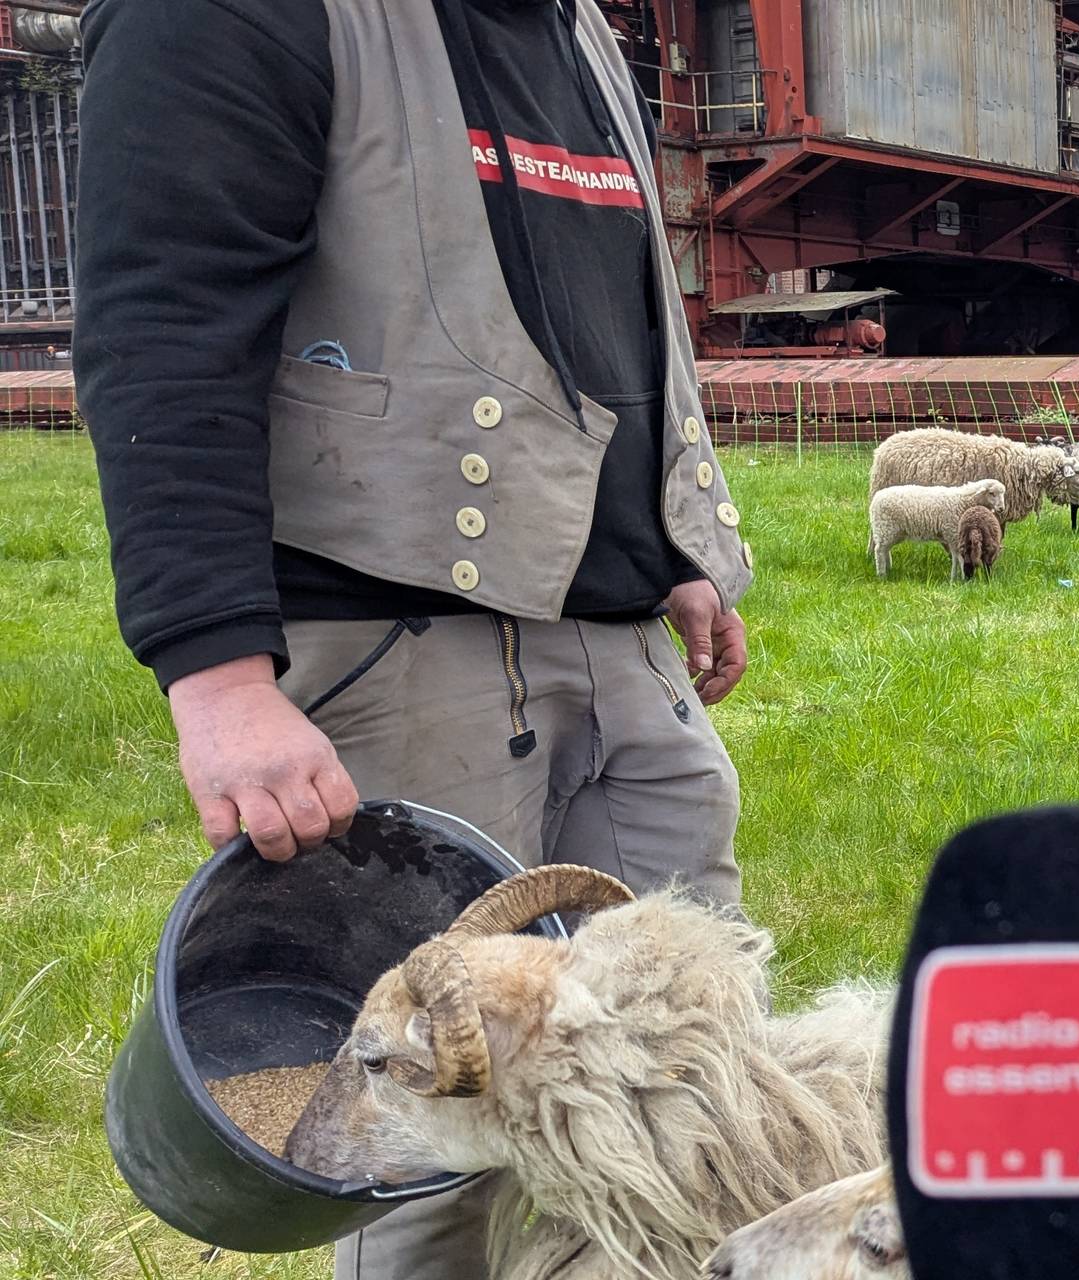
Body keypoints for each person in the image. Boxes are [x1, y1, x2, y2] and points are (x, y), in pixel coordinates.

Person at [76, 0, 753, 1275]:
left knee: (671, 1085)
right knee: (439, 1131)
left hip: (613, 647)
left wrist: (665, 547)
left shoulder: (581, 31)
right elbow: (163, 323)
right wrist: (215, 675)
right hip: (398, 652)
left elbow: (596, 317)